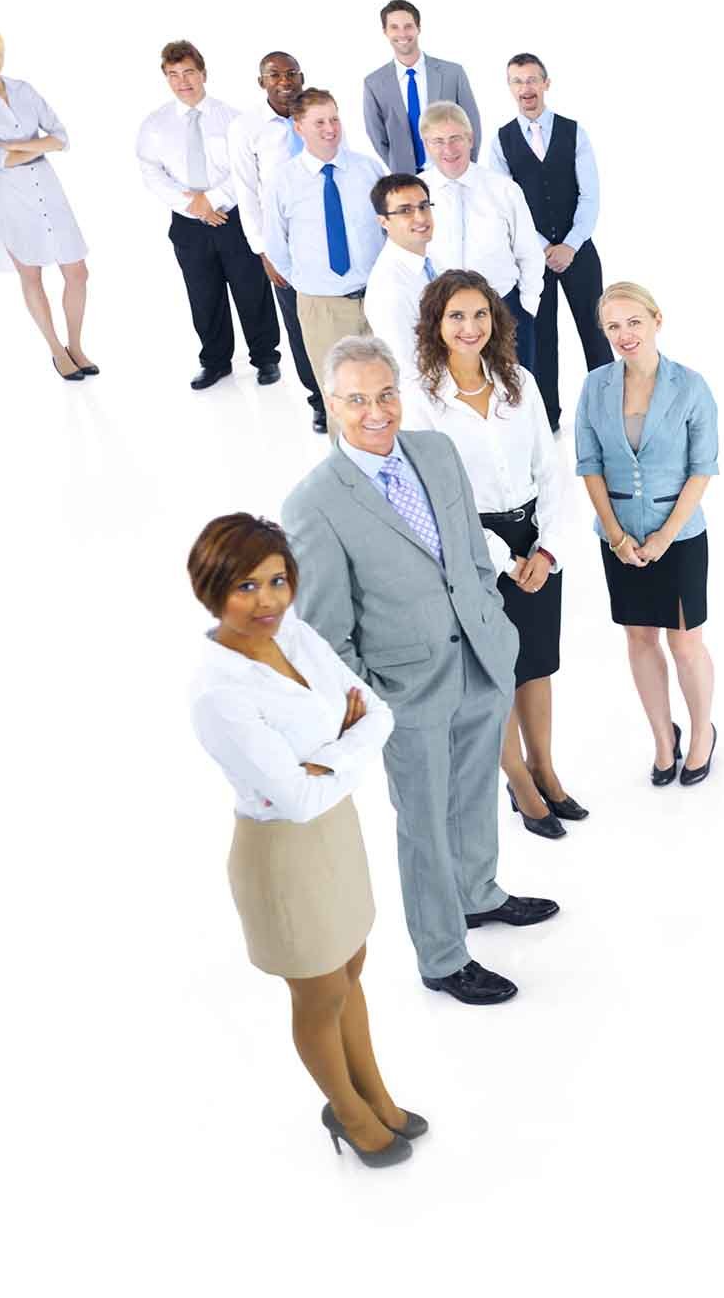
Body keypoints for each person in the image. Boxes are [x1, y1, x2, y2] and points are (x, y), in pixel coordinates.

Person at [284, 336, 555, 1008]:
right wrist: (376, 706)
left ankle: (479, 893)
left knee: (472, 795)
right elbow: (325, 633)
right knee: (425, 822)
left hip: (482, 659)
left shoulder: (435, 452)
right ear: (330, 403)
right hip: (407, 692)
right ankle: (441, 955)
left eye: (386, 394)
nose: (376, 411)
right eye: (357, 399)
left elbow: (467, 555)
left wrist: (494, 622)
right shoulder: (313, 503)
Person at [185, 512, 422, 1168]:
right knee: (318, 992)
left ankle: (375, 1092)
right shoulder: (217, 692)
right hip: (281, 853)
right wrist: (344, 747)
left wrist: (328, 756)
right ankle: (347, 1111)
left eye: (276, 580)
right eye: (245, 587)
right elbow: (293, 796)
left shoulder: (293, 632)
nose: (267, 601)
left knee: (351, 967)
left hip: (335, 827)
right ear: (211, 589)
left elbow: (378, 711)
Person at [404, 270, 583, 840]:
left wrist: (547, 550)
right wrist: (504, 562)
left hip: (535, 537)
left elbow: (549, 468)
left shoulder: (519, 383)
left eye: (480, 314)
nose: (469, 327)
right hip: (474, 548)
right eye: (456, 316)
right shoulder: (424, 402)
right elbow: (437, 498)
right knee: (495, 674)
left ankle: (545, 768)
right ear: (435, 323)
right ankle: (518, 779)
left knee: (537, 665)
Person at [575, 282, 722, 788]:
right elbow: (589, 465)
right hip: (619, 537)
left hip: (678, 537)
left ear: (656, 320)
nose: (624, 334)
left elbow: (701, 469)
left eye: (633, 322)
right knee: (639, 640)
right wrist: (617, 536)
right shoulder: (594, 386)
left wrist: (663, 538)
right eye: (613, 326)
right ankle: (664, 738)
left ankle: (702, 732)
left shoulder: (690, 386)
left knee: (685, 644)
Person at [0, 24, 94, 381]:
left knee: (77, 271)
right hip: (9, 195)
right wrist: (36, 144)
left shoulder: (24, 90)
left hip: (46, 184)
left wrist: (18, 147)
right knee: (31, 273)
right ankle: (56, 350)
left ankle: (75, 345)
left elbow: (61, 137)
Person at [137, 39, 280, 390]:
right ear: (166, 78)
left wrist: (212, 199)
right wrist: (194, 206)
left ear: (203, 73)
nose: (182, 81)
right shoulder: (155, 124)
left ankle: (265, 358)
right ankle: (215, 362)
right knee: (203, 294)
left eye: (188, 72)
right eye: (173, 75)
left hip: (233, 218)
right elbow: (151, 172)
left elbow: (247, 169)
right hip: (189, 224)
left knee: (251, 291)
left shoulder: (232, 119)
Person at [484, 53, 607, 432]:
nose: (526, 88)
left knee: (595, 328)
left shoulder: (574, 132)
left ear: (546, 84)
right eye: (518, 81)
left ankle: (606, 410)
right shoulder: (501, 141)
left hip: (579, 251)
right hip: (531, 257)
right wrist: (542, 248)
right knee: (541, 335)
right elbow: (505, 205)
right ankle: (547, 416)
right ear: (510, 88)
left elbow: (591, 196)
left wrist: (570, 244)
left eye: (532, 80)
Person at [230, 51, 332, 431]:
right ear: (262, 83)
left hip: (327, 232)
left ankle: (348, 390)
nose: (285, 81)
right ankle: (319, 398)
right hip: (284, 242)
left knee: (337, 316)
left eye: (291, 74)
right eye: (275, 75)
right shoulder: (247, 128)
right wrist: (263, 250)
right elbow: (246, 191)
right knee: (299, 322)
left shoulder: (319, 117)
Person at [418, 101, 545, 379]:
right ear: (426, 144)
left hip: (504, 308)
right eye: (438, 141)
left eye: (455, 139)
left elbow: (529, 252)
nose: (448, 150)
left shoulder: (503, 189)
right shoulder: (417, 193)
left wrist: (526, 307)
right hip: (444, 316)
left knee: (515, 392)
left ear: (470, 139)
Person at [261, 90, 387, 369]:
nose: (330, 129)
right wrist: (309, 285)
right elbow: (275, 243)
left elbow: (389, 230)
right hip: (322, 306)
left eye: (334, 119)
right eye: (319, 122)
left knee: (390, 387)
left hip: (377, 299)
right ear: (298, 127)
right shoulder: (282, 181)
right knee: (339, 394)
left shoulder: (369, 169)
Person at [362, 0, 478, 175]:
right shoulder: (374, 83)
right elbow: (378, 137)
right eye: (394, 27)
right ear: (385, 31)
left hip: (451, 170)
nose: (402, 33)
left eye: (408, 26)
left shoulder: (452, 73)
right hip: (407, 177)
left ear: (418, 28)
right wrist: (400, 167)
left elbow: (472, 125)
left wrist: (465, 168)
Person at [360, 173, 440, 392]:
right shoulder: (389, 288)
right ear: (383, 221)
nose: (421, 218)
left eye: (424, 206)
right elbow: (409, 372)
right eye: (406, 211)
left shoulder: (429, 261)